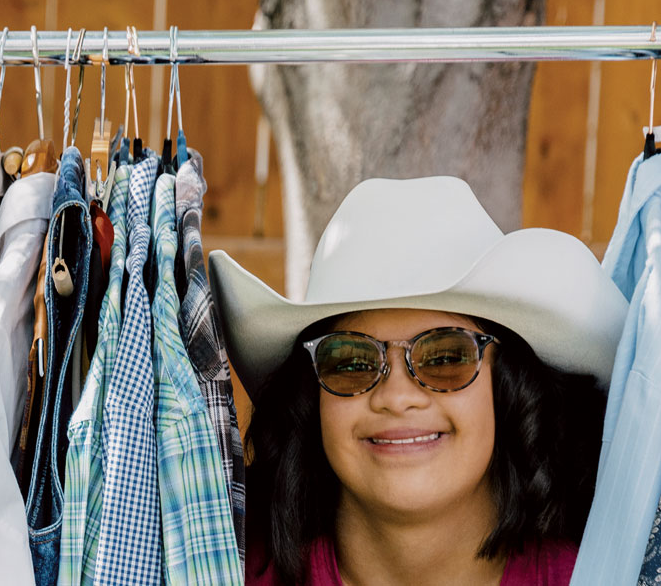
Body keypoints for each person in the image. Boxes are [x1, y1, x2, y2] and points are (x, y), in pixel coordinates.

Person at [212, 176, 628, 586]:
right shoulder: (220, 574)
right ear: (311, 395)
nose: (396, 397)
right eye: (353, 361)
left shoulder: (599, 577)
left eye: (446, 356)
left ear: (509, 389)